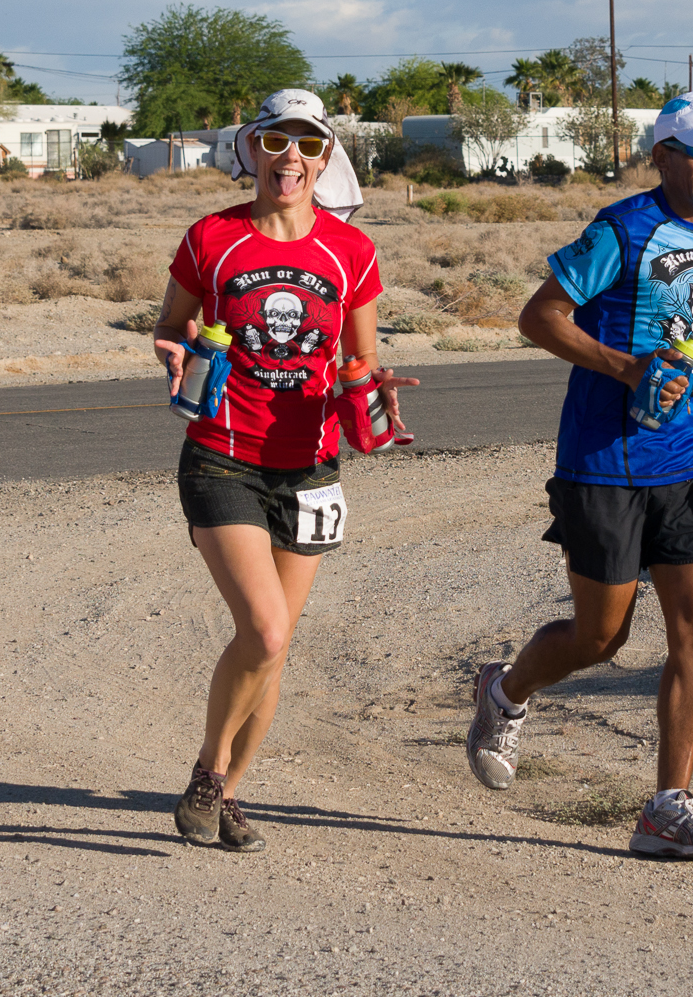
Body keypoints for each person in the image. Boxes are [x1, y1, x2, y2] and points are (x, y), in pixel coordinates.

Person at [464, 91, 693, 860]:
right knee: (599, 637)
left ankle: (666, 806)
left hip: (691, 459)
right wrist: (623, 367)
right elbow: (538, 316)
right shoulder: (621, 228)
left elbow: (691, 335)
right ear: (663, 154)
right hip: (603, 462)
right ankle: (504, 691)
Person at [154, 89, 414, 853]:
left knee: (276, 648)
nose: (289, 157)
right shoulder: (211, 238)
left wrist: (372, 392)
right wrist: (172, 348)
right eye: (275, 142)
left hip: (309, 466)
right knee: (263, 632)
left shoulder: (349, 250)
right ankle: (208, 773)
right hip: (223, 454)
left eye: (306, 143)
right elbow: (171, 324)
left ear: (324, 157)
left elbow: (357, 360)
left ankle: (225, 795)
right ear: (252, 151)